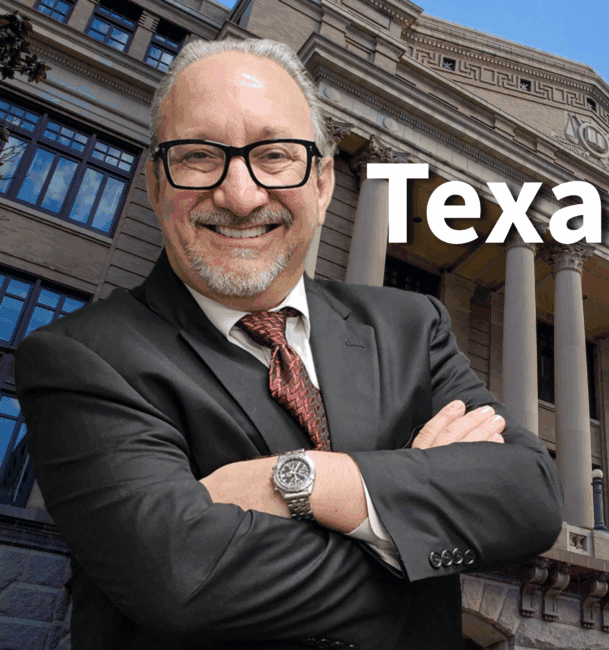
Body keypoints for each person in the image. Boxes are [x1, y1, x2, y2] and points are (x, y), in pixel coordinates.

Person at [16, 38, 563, 650]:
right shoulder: (77, 356)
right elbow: (179, 579)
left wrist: (297, 481)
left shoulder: (412, 327)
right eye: (199, 156)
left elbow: (530, 497)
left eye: (274, 155)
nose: (241, 195)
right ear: (154, 182)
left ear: (324, 183)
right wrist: (418, 533)